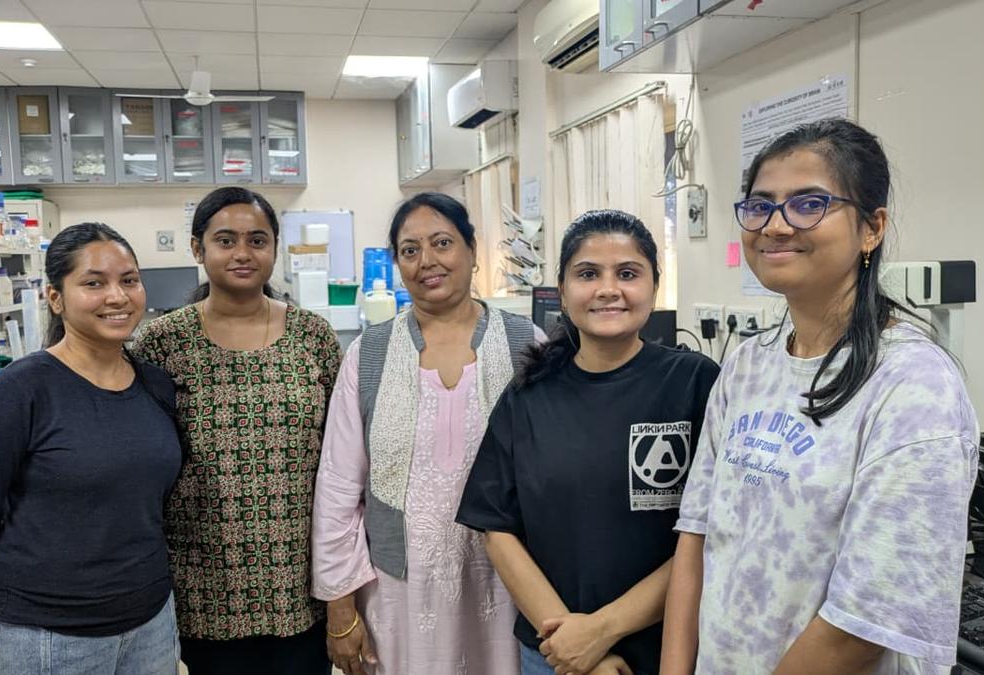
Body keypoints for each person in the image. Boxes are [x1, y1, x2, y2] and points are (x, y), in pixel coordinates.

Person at [660, 118, 979, 675]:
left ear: (871, 228)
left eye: (809, 203)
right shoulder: (746, 364)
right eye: (760, 205)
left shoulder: (912, 385)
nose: (776, 226)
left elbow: (862, 624)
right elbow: (698, 537)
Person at [456, 209, 719, 675]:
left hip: (670, 648)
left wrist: (601, 631)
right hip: (553, 653)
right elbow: (496, 528)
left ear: (653, 287)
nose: (608, 289)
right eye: (588, 274)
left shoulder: (695, 384)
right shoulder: (529, 394)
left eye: (628, 273)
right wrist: (572, 644)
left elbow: (708, 535)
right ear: (562, 290)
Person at [311, 192, 538, 675]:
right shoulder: (368, 355)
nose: (427, 261)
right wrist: (339, 605)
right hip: (397, 589)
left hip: (508, 584)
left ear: (473, 250)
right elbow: (337, 487)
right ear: (396, 263)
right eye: (410, 250)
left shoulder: (528, 345)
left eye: (442, 243)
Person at [0, 222, 182, 674]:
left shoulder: (155, 385)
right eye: (94, 283)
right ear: (56, 298)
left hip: (149, 622)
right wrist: (36, 599)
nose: (117, 296)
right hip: (44, 635)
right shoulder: (20, 391)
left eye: (128, 280)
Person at [133, 187, 342, 675]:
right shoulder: (162, 341)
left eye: (257, 240)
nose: (243, 253)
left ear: (275, 247)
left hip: (301, 581)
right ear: (197, 249)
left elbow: (343, 461)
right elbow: (141, 456)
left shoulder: (313, 336)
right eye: (225, 240)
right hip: (202, 586)